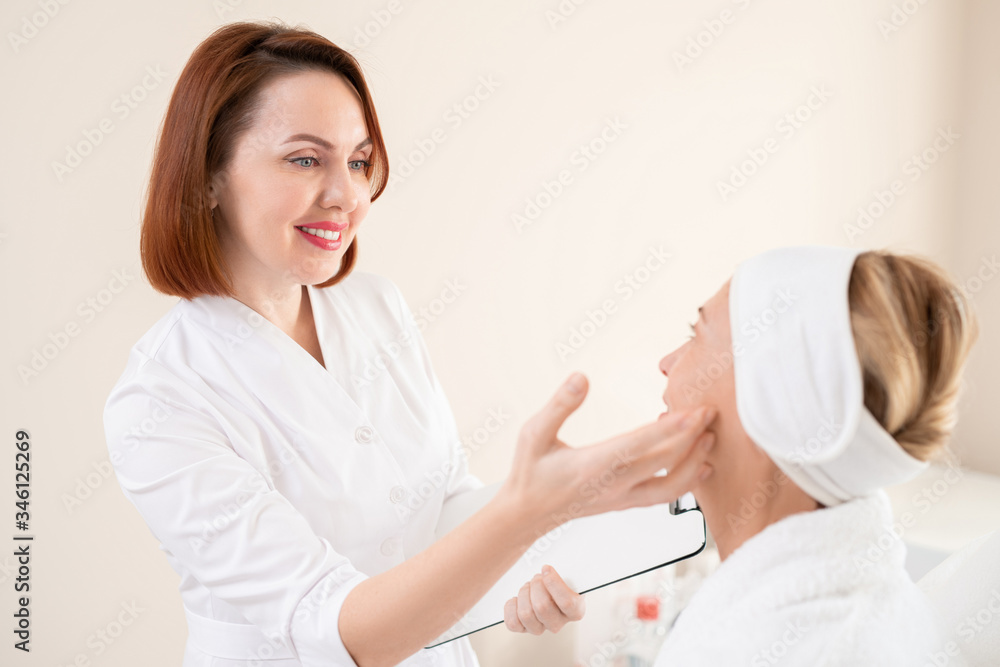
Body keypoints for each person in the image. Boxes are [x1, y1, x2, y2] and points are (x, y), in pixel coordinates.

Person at [102, 20, 718, 667]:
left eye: (359, 161)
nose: (347, 196)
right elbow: (337, 629)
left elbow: (439, 507)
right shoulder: (160, 400)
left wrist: (540, 540)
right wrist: (526, 510)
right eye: (305, 159)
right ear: (208, 176)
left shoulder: (376, 307)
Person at [649, 246, 977, 665]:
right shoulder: (869, 610)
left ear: (772, 404)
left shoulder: (759, 651)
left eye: (696, 334)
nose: (666, 363)